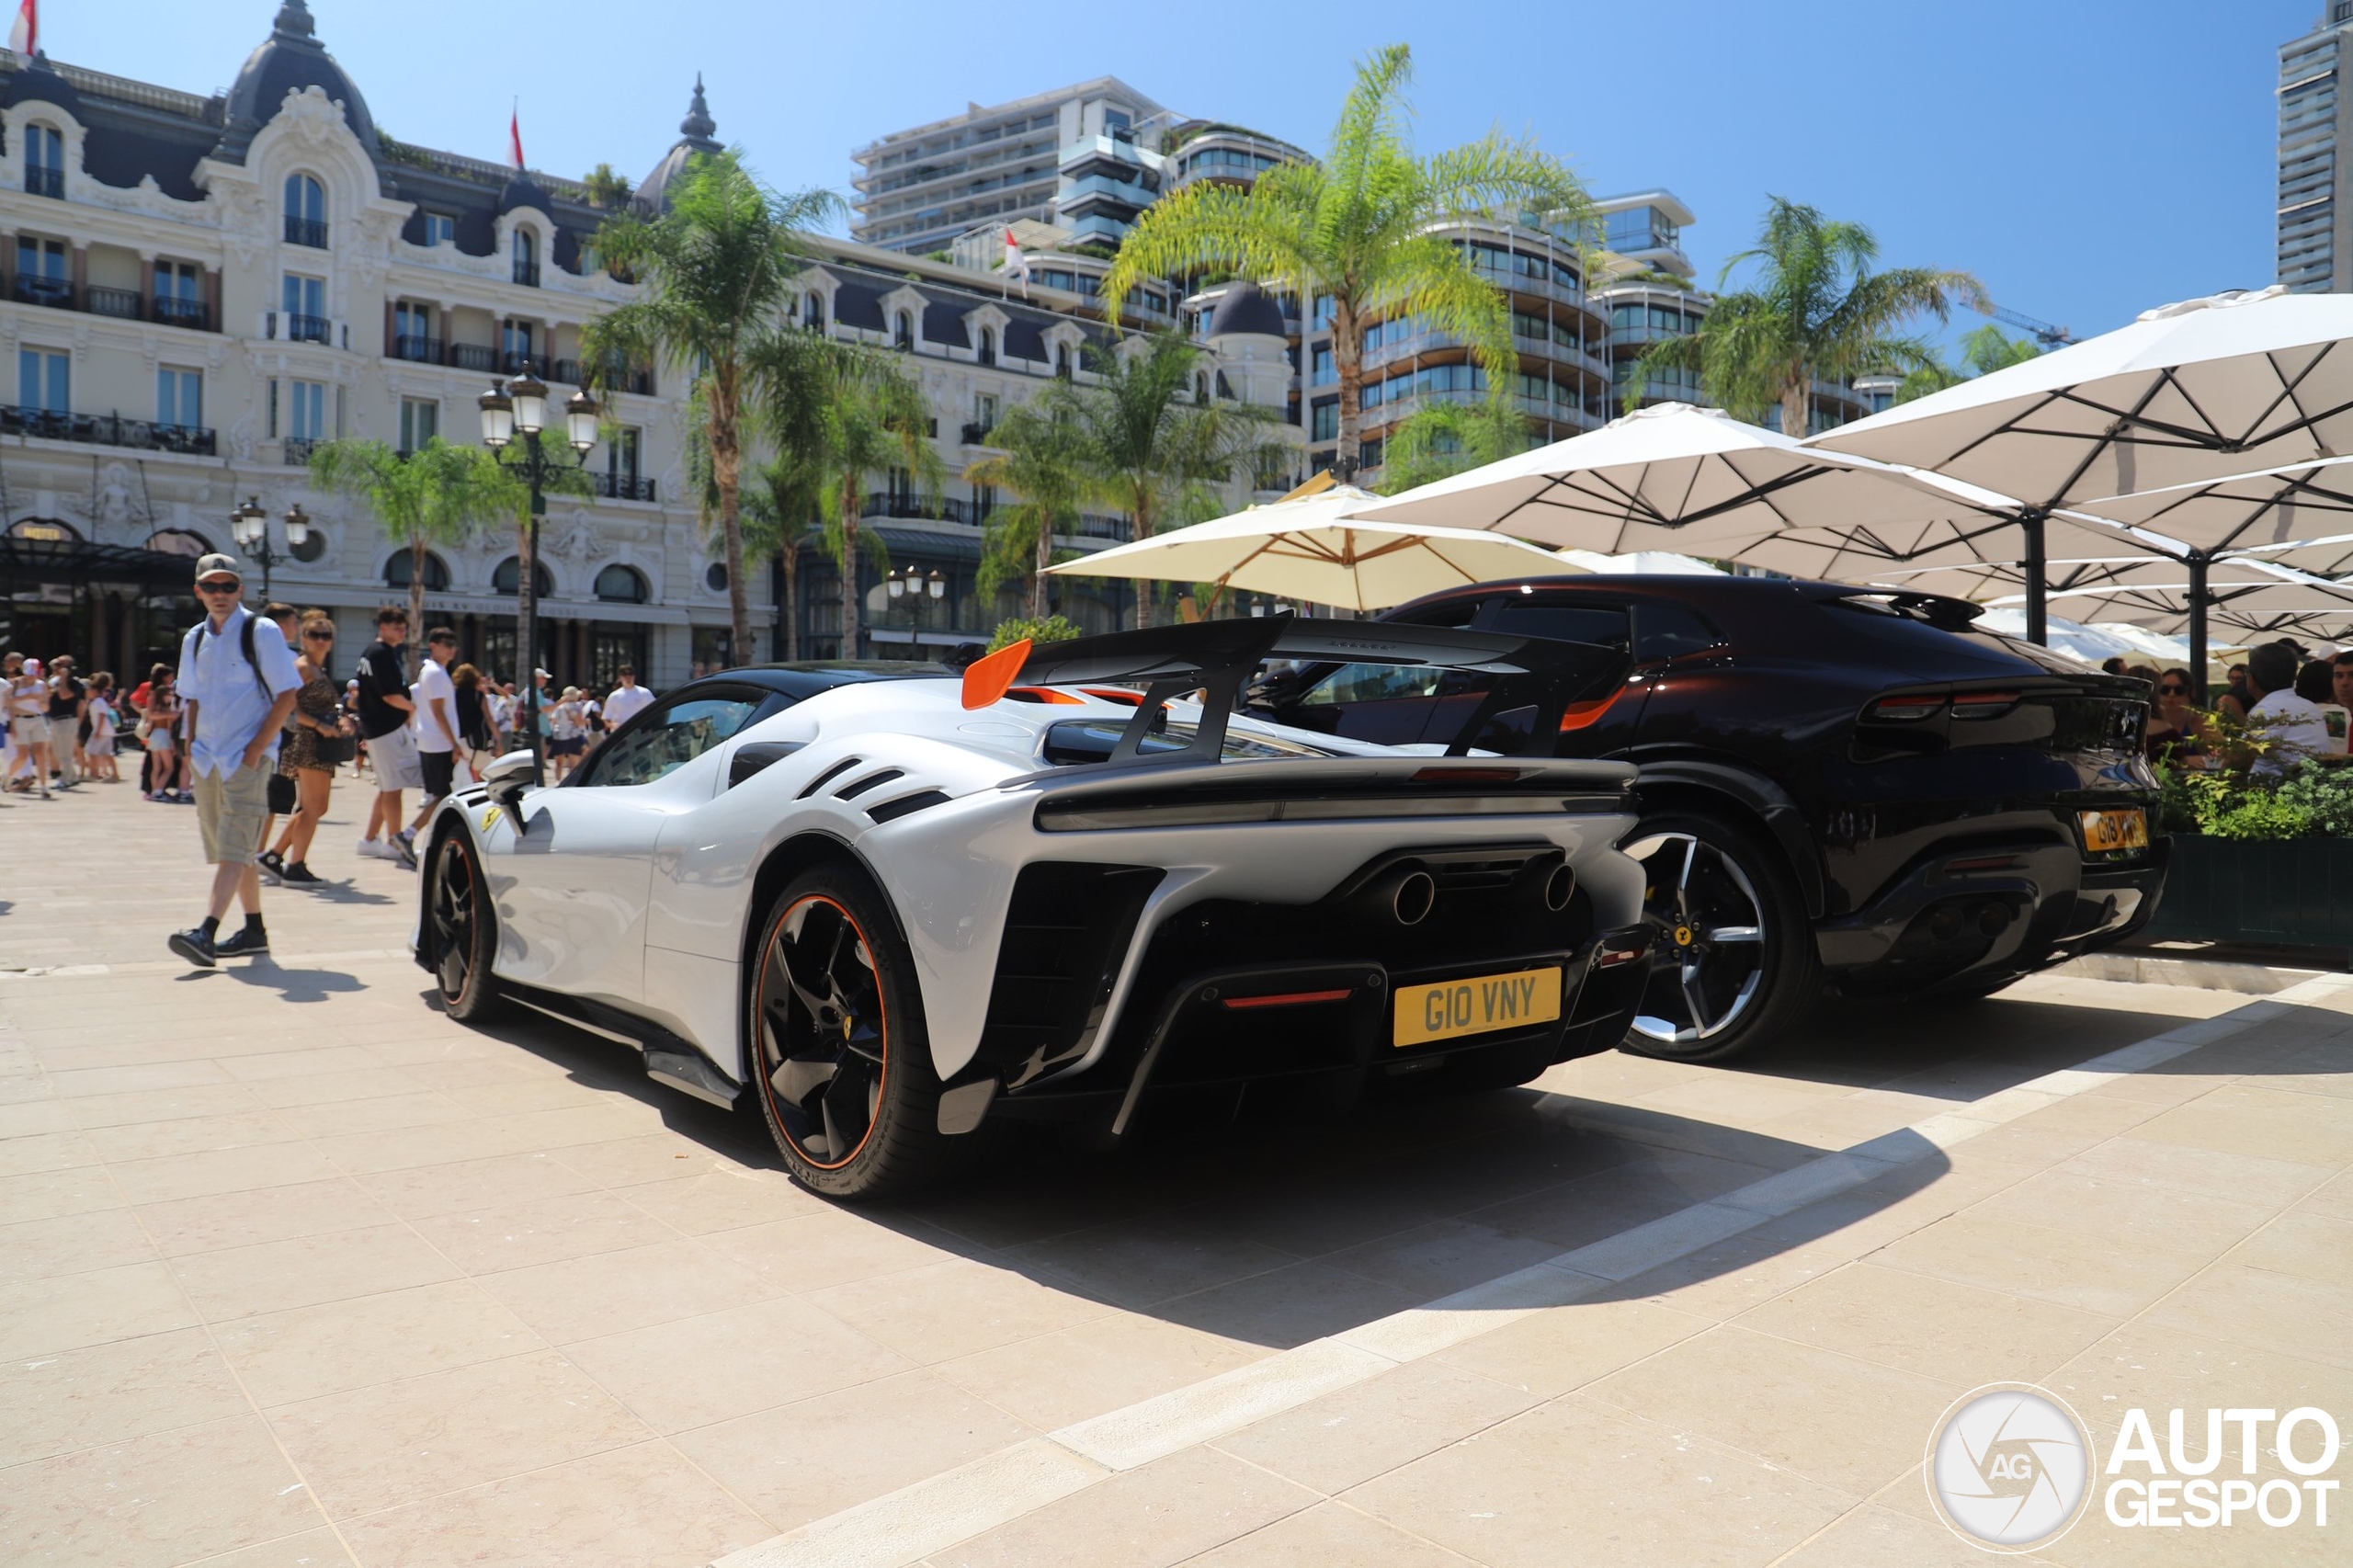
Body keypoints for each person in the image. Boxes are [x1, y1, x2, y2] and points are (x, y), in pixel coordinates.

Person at [167, 552, 301, 967]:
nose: (220, 594)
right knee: (234, 850)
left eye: (228, 586)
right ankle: (254, 931)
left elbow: (287, 693)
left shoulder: (260, 631)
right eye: (211, 586)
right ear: (199, 592)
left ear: (240, 589)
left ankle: (206, 932)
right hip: (207, 758)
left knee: (234, 847)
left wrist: (257, 748)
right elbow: (191, 695)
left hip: (247, 756)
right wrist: (190, 747)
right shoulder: (195, 638)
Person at [261, 610, 353, 887]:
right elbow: (287, 704)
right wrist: (318, 725)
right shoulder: (302, 667)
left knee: (315, 807)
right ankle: (293, 865)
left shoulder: (316, 668)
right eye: (314, 635)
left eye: (326, 635)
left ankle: (275, 856)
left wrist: (340, 720)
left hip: (319, 745)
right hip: (307, 743)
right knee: (313, 808)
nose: (321, 640)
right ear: (303, 638)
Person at [353, 606, 420, 867]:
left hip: (381, 729)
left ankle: (369, 839)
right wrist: (415, 708)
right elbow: (390, 695)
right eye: (396, 627)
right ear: (382, 627)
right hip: (384, 729)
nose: (401, 631)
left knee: (387, 787)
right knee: (393, 788)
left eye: (403, 627)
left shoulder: (377, 652)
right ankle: (395, 840)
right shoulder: (380, 653)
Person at [2246, 641, 2330, 778]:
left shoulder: (2266, 710)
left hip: (2277, 794)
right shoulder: (2310, 707)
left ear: (2251, 679)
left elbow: (2239, 763)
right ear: (2294, 677)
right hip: (2314, 792)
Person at [407, 627, 461, 840]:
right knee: (442, 797)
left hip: (433, 741)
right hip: (438, 742)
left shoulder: (433, 671)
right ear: (433, 646)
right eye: (447, 645)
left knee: (441, 796)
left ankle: (428, 836)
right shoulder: (436, 673)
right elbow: (438, 712)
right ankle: (408, 834)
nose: (451, 649)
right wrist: (454, 744)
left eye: (453, 645)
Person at [4, 653, 50, 796]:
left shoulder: (41, 685)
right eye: (29, 673)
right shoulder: (15, 683)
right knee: (22, 755)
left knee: (40, 753)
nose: (31, 677)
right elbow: (8, 703)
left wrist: (41, 702)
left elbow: (46, 708)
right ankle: (7, 778)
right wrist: (28, 697)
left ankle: (44, 787)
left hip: (37, 719)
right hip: (20, 720)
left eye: (34, 674)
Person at [142, 668, 186, 801]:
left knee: (157, 767)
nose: (172, 696)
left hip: (154, 736)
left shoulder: (158, 709)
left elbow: (151, 717)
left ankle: (155, 791)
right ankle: (159, 791)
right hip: (163, 736)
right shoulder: (169, 710)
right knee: (169, 767)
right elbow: (170, 727)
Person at [2144, 667, 2204, 761]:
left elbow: (2226, 757)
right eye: (2165, 689)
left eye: (2179, 690)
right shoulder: (2151, 720)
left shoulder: (2199, 722)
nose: (2171, 694)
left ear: (2191, 693)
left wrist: (2204, 760)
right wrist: (2182, 761)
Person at [449, 662, 496, 778]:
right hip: (477, 739)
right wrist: (498, 738)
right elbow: (488, 717)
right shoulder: (479, 695)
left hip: (457, 739)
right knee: (481, 776)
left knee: (458, 775)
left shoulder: (451, 695)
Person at [46, 654, 85, 790]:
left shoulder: (74, 682)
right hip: (55, 720)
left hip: (67, 720)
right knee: (56, 751)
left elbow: (64, 695)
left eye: (60, 665)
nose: (56, 667)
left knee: (65, 752)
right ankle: (72, 777)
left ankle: (65, 779)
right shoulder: (54, 681)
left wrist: (63, 678)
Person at [84, 673, 120, 782]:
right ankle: (115, 774)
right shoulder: (100, 702)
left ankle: (94, 773)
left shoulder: (98, 702)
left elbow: (101, 716)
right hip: (106, 731)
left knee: (92, 751)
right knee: (107, 753)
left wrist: (97, 731)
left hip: (101, 731)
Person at [546, 686, 586, 780]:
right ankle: (571, 782)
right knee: (573, 763)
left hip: (559, 736)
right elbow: (580, 723)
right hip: (573, 736)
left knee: (559, 763)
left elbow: (553, 720)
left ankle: (558, 781)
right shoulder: (578, 707)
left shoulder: (559, 707)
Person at [603, 665, 654, 732]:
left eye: (630, 674)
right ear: (620, 678)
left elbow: (653, 711)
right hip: (620, 733)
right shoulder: (614, 696)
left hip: (640, 731)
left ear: (634, 676)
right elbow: (606, 718)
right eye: (625, 675)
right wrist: (612, 725)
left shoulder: (645, 693)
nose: (628, 678)